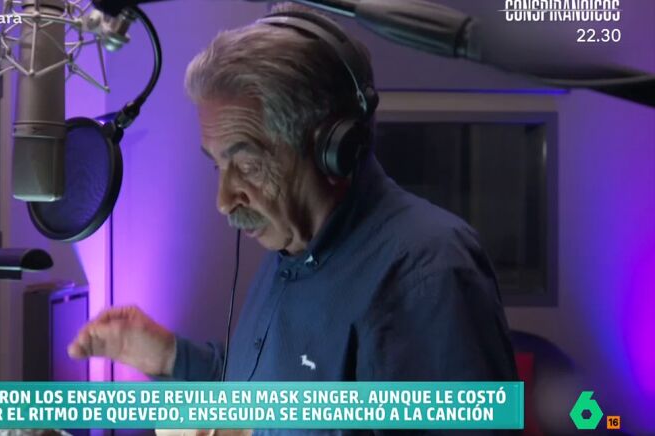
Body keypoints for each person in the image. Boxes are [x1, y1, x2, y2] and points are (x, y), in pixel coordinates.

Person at [68, 2, 517, 432]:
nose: (224, 200)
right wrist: (170, 357)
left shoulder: (429, 272)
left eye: (247, 164)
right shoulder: (290, 245)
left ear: (331, 149)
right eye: (218, 165)